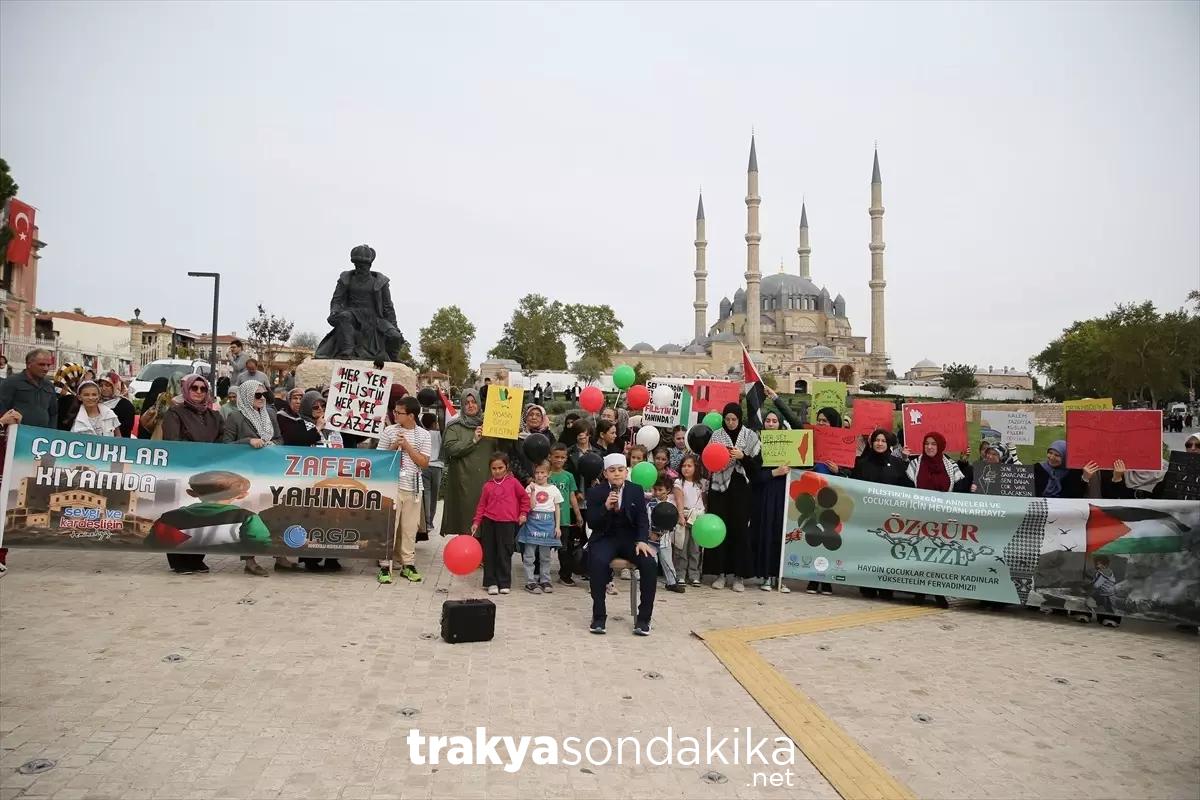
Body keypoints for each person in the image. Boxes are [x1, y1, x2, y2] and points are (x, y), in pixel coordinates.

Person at [223, 380, 294, 576]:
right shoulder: (235, 417)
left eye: (264, 394)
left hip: (270, 472)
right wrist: (248, 442)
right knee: (250, 516)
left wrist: (273, 445)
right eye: (257, 395)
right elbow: (225, 446)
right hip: (247, 474)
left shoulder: (270, 414)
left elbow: (280, 438)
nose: (262, 398)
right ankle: (249, 560)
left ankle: (279, 556)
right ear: (246, 396)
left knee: (274, 513)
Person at [585, 454, 657, 635]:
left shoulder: (636, 490)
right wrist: (605, 508)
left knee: (649, 563)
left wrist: (642, 540)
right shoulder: (595, 492)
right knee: (597, 562)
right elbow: (592, 522)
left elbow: (642, 519)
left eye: (620, 470)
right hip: (605, 537)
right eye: (612, 470)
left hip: (630, 539)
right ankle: (599, 617)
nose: (616, 474)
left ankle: (643, 619)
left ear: (626, 472)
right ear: (605, 473)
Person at [159, 373, 224, 574]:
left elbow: (222, 442)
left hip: (207, 473)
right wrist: (200, 451)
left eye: (202, 388)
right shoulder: (175, 413)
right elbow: (173, 441)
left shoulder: (215, 416)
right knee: (181, 515)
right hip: (183, 471)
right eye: (194, 388)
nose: (198, 392)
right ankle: (179, 560)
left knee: (204, 515)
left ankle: (196, 557)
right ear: (187, 389)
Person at [704, 402, 762, 592]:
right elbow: (709, 462)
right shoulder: (716, 436)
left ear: (739, 419)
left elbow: (756, 467)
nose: (730, 423)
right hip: (719, 490)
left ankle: (739, 576)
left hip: (740, 489)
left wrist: (742, 456)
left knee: (739, 531)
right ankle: (720, 573)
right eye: (727, 419)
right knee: (720, 530)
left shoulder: (750, 436)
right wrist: (722, 458)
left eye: (734, 419)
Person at [376, 395, 432, 584]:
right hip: (391, 487)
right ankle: (385, 565)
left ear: (411, 416)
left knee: (409, 528)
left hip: (413, 487)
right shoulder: (389, 431)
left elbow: (424, 462)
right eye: (395, 411)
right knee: (389, 526)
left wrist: (407, 446)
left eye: (399, 413)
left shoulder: (424, 435)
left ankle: (408, 564)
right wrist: (394, 446)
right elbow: (378, 460)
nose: (395, 415)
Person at [905, 432, 964, 608]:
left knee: (938, 556)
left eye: (933, 444)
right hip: (920, 518)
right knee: (920, 555)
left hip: (942, 519)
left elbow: (961, 487)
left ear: (940, 446)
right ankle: (919, 592)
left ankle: (939, 593)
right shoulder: (915, 465)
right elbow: (906, 487)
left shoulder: (951, 466)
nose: (929, 447)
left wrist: (964, 462)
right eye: (927, 444)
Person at [441, 388, 501, 538]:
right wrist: (472, 441)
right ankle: (468, 557)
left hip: (488, 481)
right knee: (466, 522)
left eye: (474, 402)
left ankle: (484, 558)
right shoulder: (454, 426)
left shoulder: (492, 426)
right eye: (466, 403)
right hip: (463, 483)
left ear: (479, 404)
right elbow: (450, 449)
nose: (470, 405)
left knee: (487, 522)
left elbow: (503, 450)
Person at [471, 452, 529, 595]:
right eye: (494, 468)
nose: (497, 471)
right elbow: (481, 505)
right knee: (489, 552)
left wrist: (523, 513)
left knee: (504, 552)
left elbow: (525, 499)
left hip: (508, 523)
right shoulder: (487, 486)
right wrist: (476, 522)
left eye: (500, 468)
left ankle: (504, 582)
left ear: (506, 467)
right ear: (490, 469)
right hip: (489, 522)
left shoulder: (514, 483)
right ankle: (490, 582)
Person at [751, 408, 792, 592]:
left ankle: (780, 576)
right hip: (765, 495)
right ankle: (766, 576)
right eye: (768, 421)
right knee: (766, 534)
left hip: (784, 493)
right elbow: (754, 475)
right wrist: (774, 472)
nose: (771, 424)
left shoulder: (790, 444)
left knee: (781, 534)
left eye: (775, 421)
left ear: (780, 424)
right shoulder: (757, 446)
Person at [517, 461, 563, 594]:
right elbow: (531, 507)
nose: (539, 475)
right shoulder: (530, 488)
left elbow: (557, 509)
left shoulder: (554, 489)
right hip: (532, 524)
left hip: (548, 525)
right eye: (537, 473)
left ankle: (545, 580)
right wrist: (532, 491)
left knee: (545, 556)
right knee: (529, 555)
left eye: (542, 472)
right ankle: (530, 581)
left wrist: (557, 527)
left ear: (548, 474)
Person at [548, 443, 583, 586]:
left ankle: (564, 575)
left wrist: (578, 515)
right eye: (556, 457)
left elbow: (572, 496)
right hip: (546, 518)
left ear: (566, 458)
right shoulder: (545, 474)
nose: (559, 460)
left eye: (562, 457)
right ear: (550, 457)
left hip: (564, 519)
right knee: (542, 547)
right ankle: (539, 574)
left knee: (564, 549)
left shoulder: (568, 476)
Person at [0, 349, 57, 429]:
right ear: (29, 364)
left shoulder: (49, 386)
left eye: (48, 365)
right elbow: (2, 407)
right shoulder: (11, 382)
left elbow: (53, 413)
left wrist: (51, 432)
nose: (46, 369)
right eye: (41, 364)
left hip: (41, 437)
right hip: (17, 435)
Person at [648, 475, 684, 593]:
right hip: (651, 540)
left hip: (665, 540)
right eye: (655, 489)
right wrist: (650, 533)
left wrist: (666, 530)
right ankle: (650, 583)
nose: (657, 493)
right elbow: (647, 520)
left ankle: (672, 583)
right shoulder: (650, 505)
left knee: (668, 562)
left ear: (668, 490)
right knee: (652, 563)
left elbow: (672, 521)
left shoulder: (671, 505)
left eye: (660, 490)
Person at [675, 453, 706, 587]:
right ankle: (680, 574)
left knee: (695, 548)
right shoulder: (679, 482)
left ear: (696, 467)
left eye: (689, 466)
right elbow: (679, 499)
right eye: (684, 466)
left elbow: (705, 501)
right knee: (681, 546)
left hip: (699, 517)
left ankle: (694, 574)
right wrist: (681, 515)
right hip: (685, 515)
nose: (686, 469)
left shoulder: (702, 483)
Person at [421, 412, 444, 534]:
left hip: (425, 465)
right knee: (434, 496)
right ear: (435, 423)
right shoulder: (441, 434)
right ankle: (430, 522)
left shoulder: (423, 434)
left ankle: (426, 521)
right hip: (437, 467)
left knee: (426, 494)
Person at [97, 372, 136, 438]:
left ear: (115, 386)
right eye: (101, 385)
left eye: (107, 385)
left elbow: (125, 431)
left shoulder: (126, 405)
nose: (103, 388)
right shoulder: (94, 403)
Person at [54, 363, 85, 430]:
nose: (82, 381)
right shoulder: (70, 398)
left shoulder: (50, 390)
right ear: (74, 377)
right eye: (81, 378)